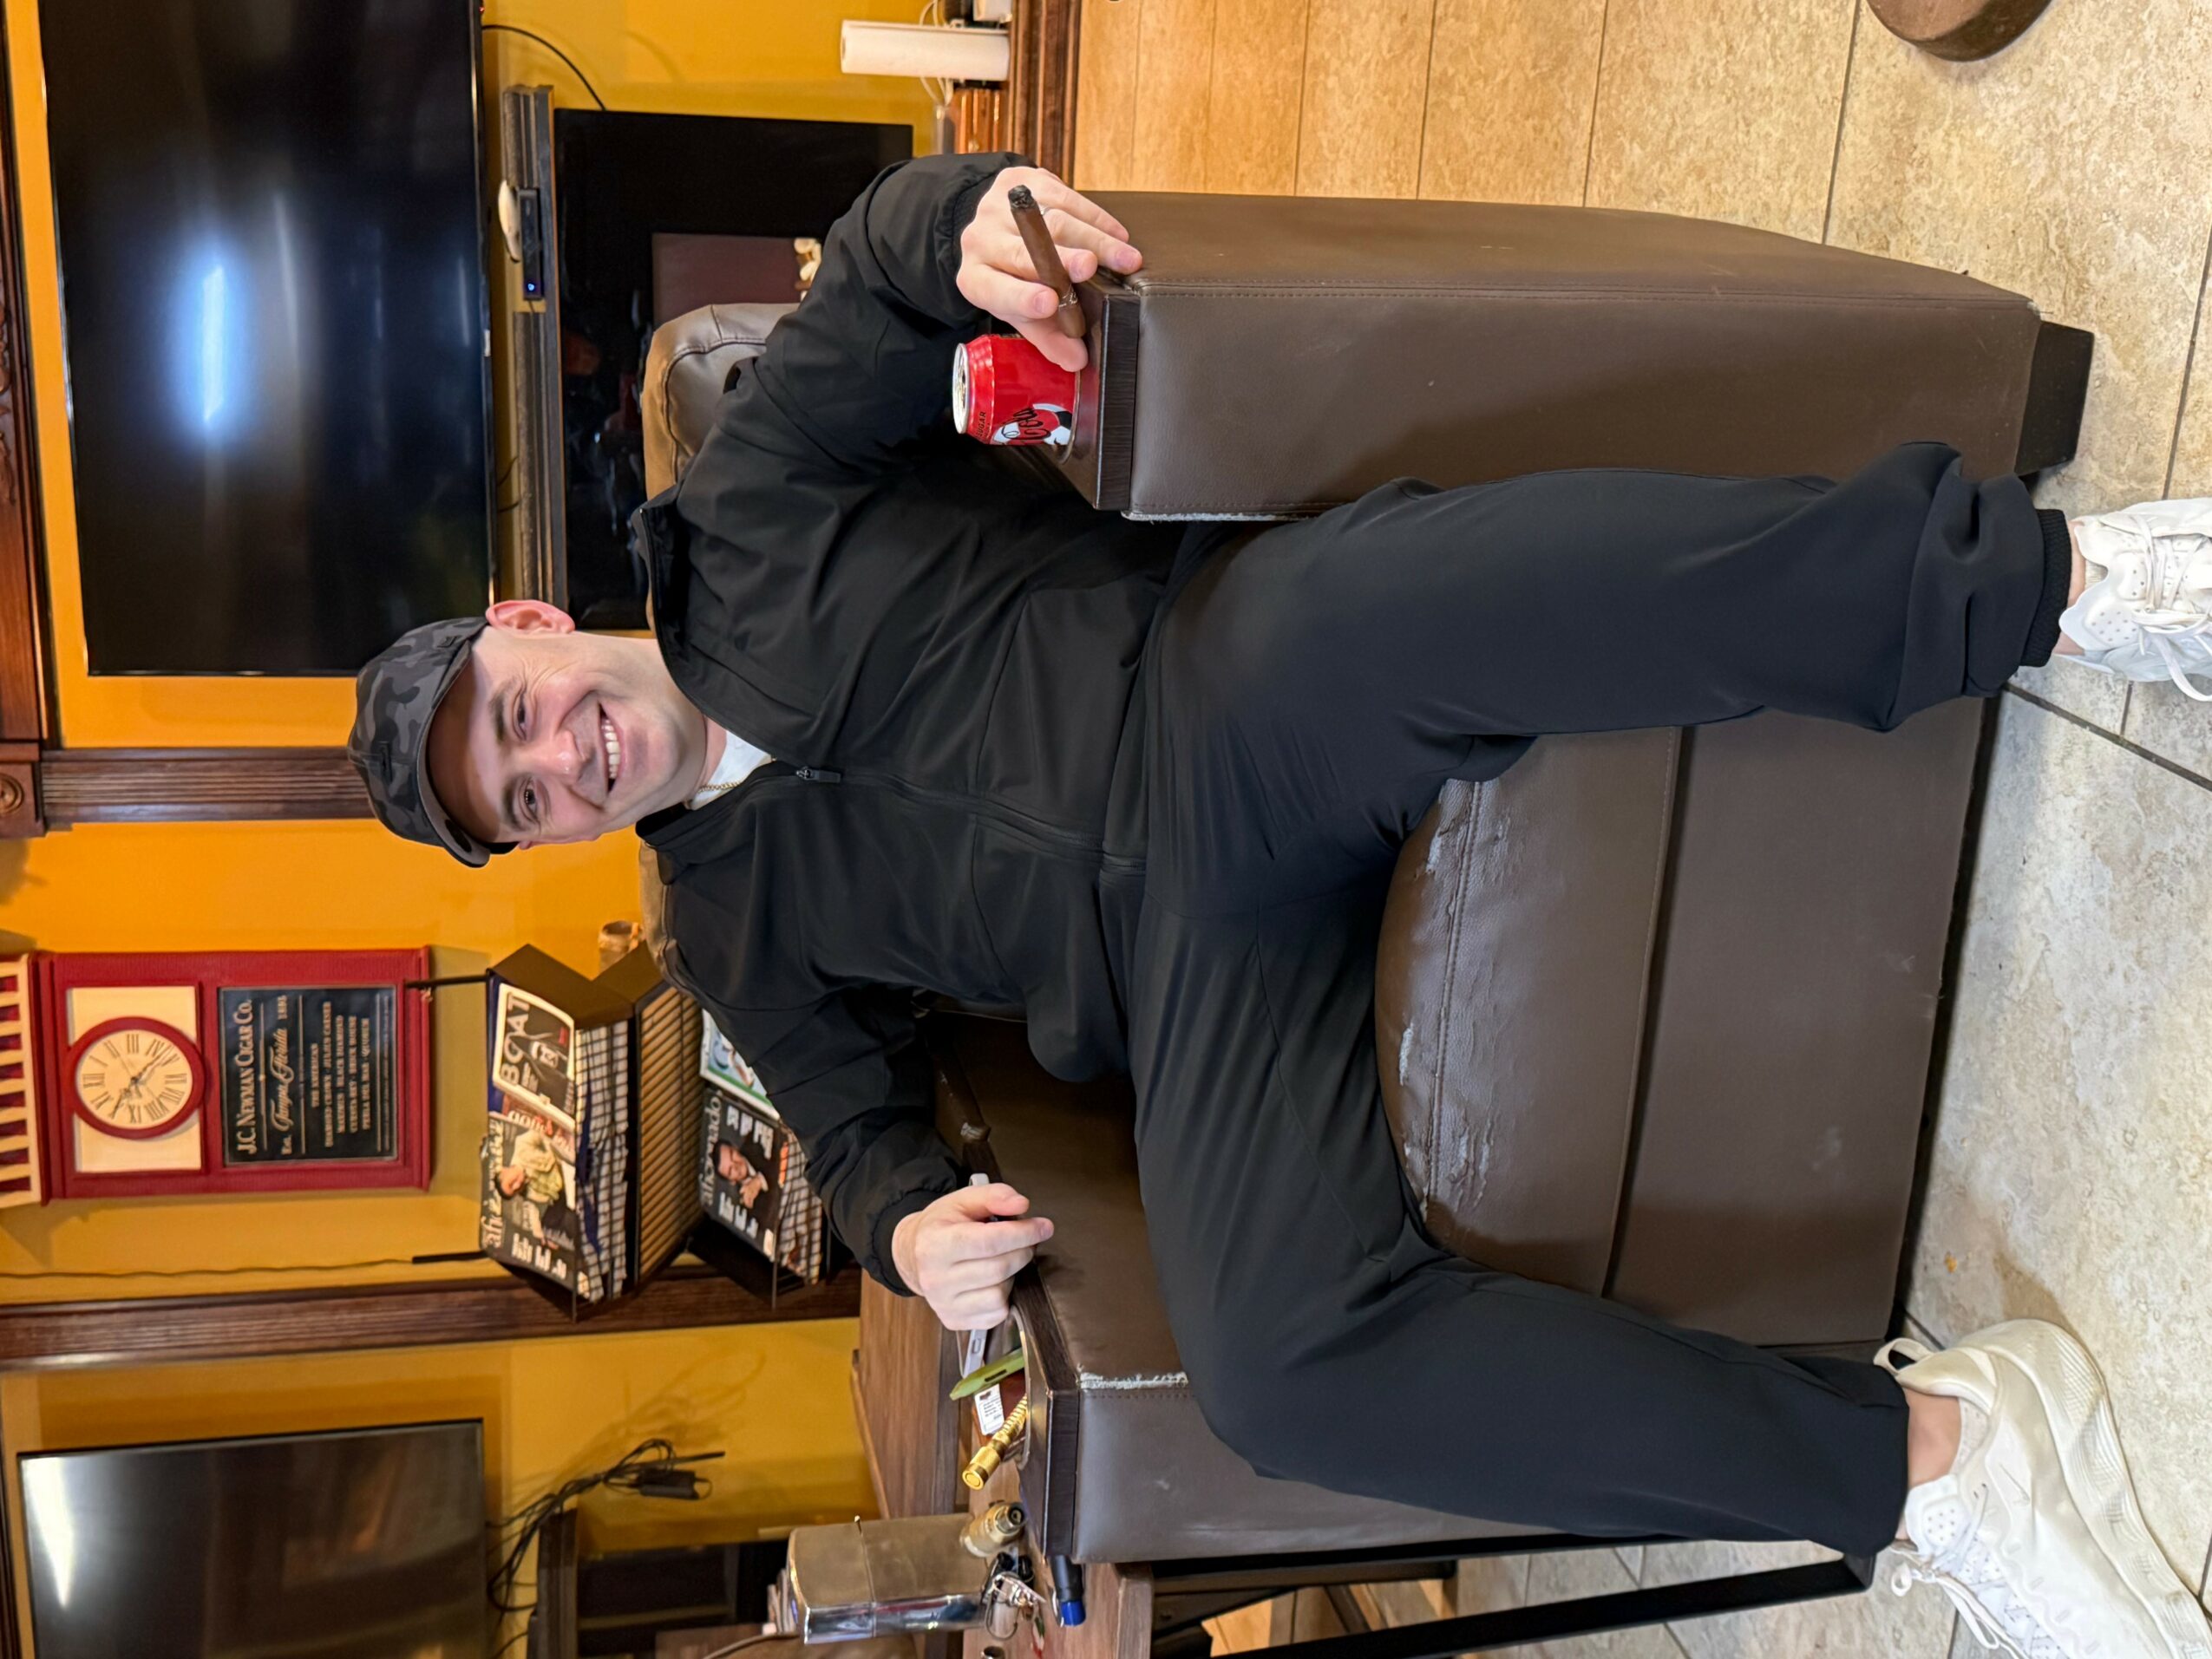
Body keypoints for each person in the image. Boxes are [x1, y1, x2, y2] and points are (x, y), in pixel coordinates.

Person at [350, 154, 2212, 1656]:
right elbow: (847, 1126)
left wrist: (973, 213)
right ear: (540, 843)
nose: (565, 757)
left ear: (530, 623)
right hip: (1183, 982)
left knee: (1355, 608)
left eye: (521, 716)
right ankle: (1940, 1457)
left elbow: (881, 280)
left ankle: (2055, 591)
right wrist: (903, 1224)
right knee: (1281, 1375)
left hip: (1212, 694)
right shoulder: (720, 926)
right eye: (526, 801)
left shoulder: (743, 515)